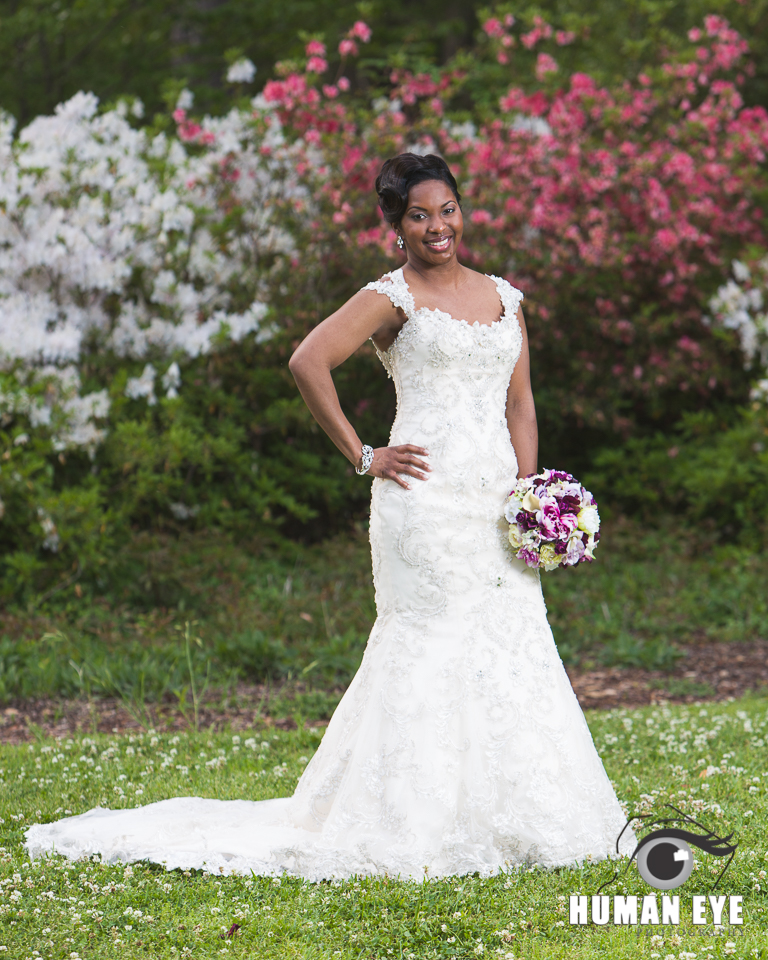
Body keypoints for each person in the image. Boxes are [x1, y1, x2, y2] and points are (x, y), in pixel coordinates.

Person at [26, 153, 631, 880]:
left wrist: (532, 494)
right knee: (429, 644)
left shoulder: (504, 296)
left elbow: (519, 403)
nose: (438, 227)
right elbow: (308, 362)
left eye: (447, 210)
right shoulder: (392, 298)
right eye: (419, 215)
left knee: (512, 640)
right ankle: (415, 821)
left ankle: (525, 815)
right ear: (395, 227)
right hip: (422, 502)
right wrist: (364, 454)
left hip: (495, 505)